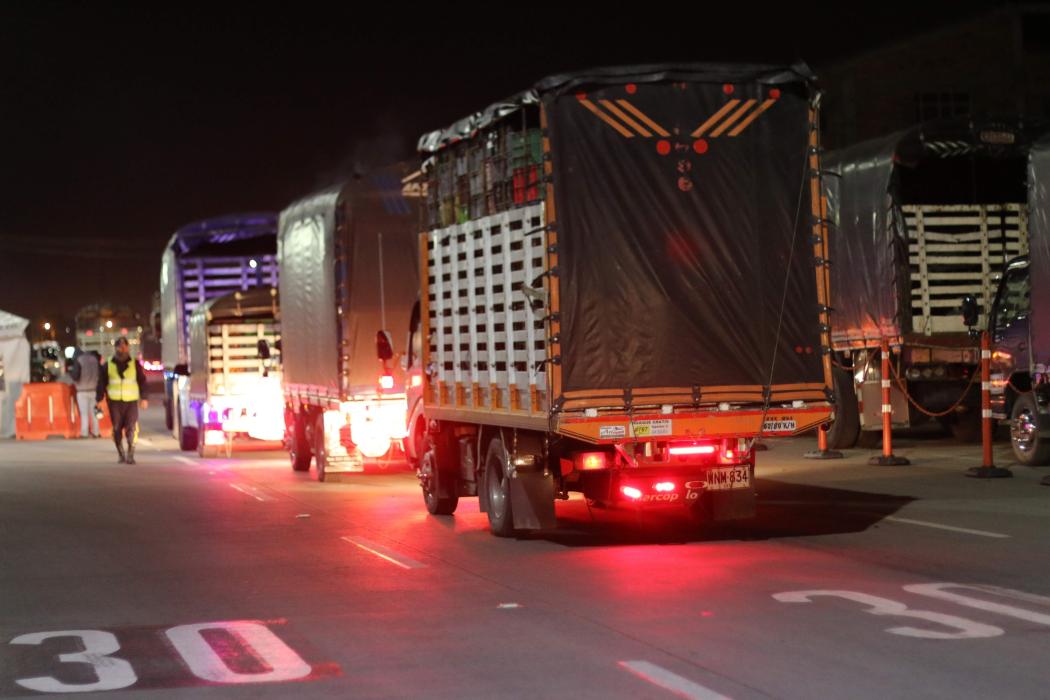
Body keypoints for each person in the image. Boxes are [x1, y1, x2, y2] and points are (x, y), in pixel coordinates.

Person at [96, 337, 148, 464]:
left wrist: (144, 398)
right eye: (120, 347)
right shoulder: (108, 365)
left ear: (128, 348)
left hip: (131, 402)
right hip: (114, 402)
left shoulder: (134, 364)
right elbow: (101, 383)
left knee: (131, 428)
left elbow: (142, 382)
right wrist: (99, 399)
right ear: (116, 348)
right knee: (117, 428)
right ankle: (121, 453)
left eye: (125, 346)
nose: (123, 349)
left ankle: (131, 453)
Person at [69, 348, 101, 438]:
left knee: (84, 413)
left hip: (82, 391)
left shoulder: (79, 360)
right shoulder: (94, 359)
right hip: (94, 390)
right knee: (94, 413)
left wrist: (70, 372)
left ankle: (84, 433)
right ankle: (96, 432)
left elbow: (76, 376)